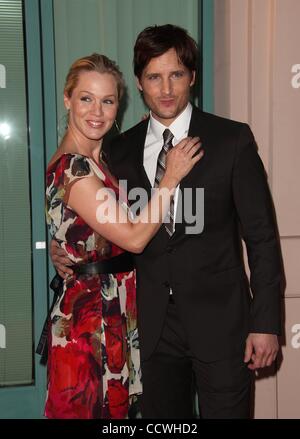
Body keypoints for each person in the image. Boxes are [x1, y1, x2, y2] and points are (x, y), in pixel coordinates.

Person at [51, 25, 283, 419]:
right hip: (148, 332)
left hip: (223, 325)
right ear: (139, 84)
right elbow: (96, 220)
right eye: (154, 77)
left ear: (192, 76)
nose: (166, 88)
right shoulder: (117, 151)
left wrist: (266, 322)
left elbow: (261, 238)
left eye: (176, 74)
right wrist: (68, 253)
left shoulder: (231, 140)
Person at [43, 52, 202, 419]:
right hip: (89, 323)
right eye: (86, 98)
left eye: (107, 101)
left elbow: (86, 232)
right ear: (68, 99)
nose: (96, 111)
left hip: (114, 311)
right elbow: (132, 239)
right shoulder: (74, 168)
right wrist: (170, 177)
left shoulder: (101, 161)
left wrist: (65, 247)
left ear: (119, 106)